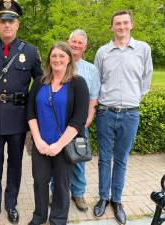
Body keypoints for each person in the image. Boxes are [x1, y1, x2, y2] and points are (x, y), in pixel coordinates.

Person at [0, 0, 43, 224]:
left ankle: (11, 204)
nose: (7, 25)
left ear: (17, 25)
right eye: (2, 21)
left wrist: (35, 114)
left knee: (15, 164)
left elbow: (41, 83)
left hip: (18, 117)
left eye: (11, 21)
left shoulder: (31, 52)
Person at [93, 10, 153, 225]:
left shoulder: (143, 49)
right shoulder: (102, 52)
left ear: (131, 25)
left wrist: (134, 97)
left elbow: (146, 79)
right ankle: (103, 198)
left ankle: (116, 201)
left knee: (121, 160)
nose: (121, 26)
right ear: (111, 27)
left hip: (130, 114)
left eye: (125, 23)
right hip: (105, 113)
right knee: (104, 159)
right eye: (117, 23)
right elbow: (97, 81)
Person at [27, 42, 89, 225]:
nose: (57, 59)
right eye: (54, 56)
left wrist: (58, 145)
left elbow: (79, 119)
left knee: (62, 185)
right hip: (41, 144)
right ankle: (39, 217)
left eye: (62, 56)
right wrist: (38, 140)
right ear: (49, 60)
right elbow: (30, 112)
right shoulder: (39, 81)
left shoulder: (78, 83)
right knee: (39, 182)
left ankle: (58, 219)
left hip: (65, 144)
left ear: (69, 58)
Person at [67, 29, 100, 211]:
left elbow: (94, 97)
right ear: (68, 41)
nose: (76, 45)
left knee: (78, 158)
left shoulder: (91, 69)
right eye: (73, 41)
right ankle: (54, 191)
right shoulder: (59, 62)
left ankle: (78, 193)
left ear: (85, 46)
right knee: (57, 158)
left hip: (79, 124)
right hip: (59, 123)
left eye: (80, 43)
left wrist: (87, 120)